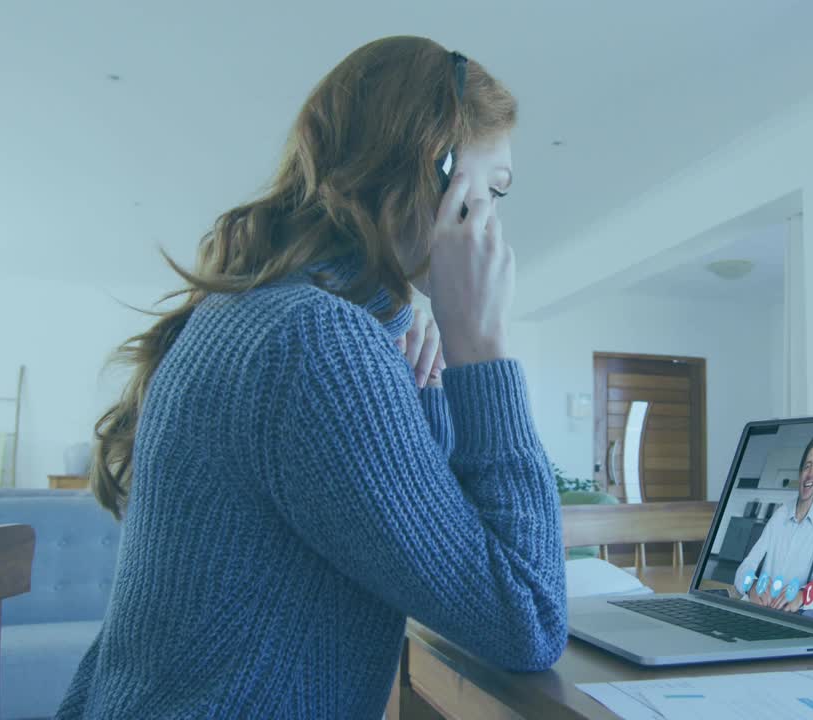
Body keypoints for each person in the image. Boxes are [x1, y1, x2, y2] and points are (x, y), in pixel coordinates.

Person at [55, 37, 566, 719]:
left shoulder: (269, 313)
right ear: (434, 172)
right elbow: (526, 618)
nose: (495, 224)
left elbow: (440, 551)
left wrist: (436, 376)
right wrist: (486, 351)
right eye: (491, 190)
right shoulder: (317, 343)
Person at [733, 432, 813, 620]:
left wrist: (802, 596)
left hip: (792, 615)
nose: (810, 473)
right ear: (800, 471)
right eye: (807, 465)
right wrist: (752, 585)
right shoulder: (780, 514)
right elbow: (746, 566)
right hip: (761, 612)